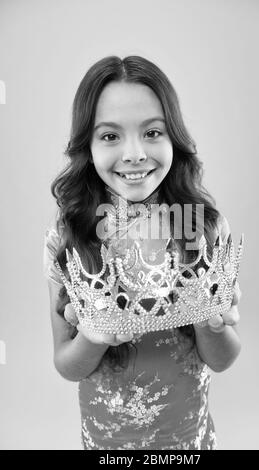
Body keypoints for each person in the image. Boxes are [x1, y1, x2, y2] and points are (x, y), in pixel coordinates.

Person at [43, 55, 242, 450]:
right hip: (107, 446)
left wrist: (212, 322)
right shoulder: (68, 238)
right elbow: (67, 364)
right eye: (111, 136)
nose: (134, 154)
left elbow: (221, 359)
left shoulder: (202, 229)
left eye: (153, 132)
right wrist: (93, 338)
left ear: (174, 138)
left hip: (188, 443)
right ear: (88, 145)